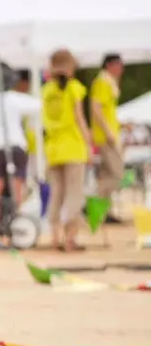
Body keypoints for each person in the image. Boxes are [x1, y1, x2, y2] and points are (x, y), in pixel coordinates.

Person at [42, 49, 92, 252]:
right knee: (74, 194)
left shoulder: (46, 91)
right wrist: (89, 144)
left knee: (56, 194)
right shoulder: (74, 88)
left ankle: (55, 238)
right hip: (73, 146)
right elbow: (79, 118)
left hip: (53, 148)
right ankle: (70, 237)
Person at [0, 63, 41, 226]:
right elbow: (38, 106)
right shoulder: (16, 99)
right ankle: (14, 221)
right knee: (16, 188)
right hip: (16, 147)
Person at [90, 54, 125, 200]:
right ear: (110, 65)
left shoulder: (108, 82)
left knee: (107, 173)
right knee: (118, 174)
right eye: (119, 65)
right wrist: (108, 131)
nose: (122, 69)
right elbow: (96, 108)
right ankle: (95, 198)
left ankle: (102, 211)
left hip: (108, 133)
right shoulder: (103, 82)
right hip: (106, 136)